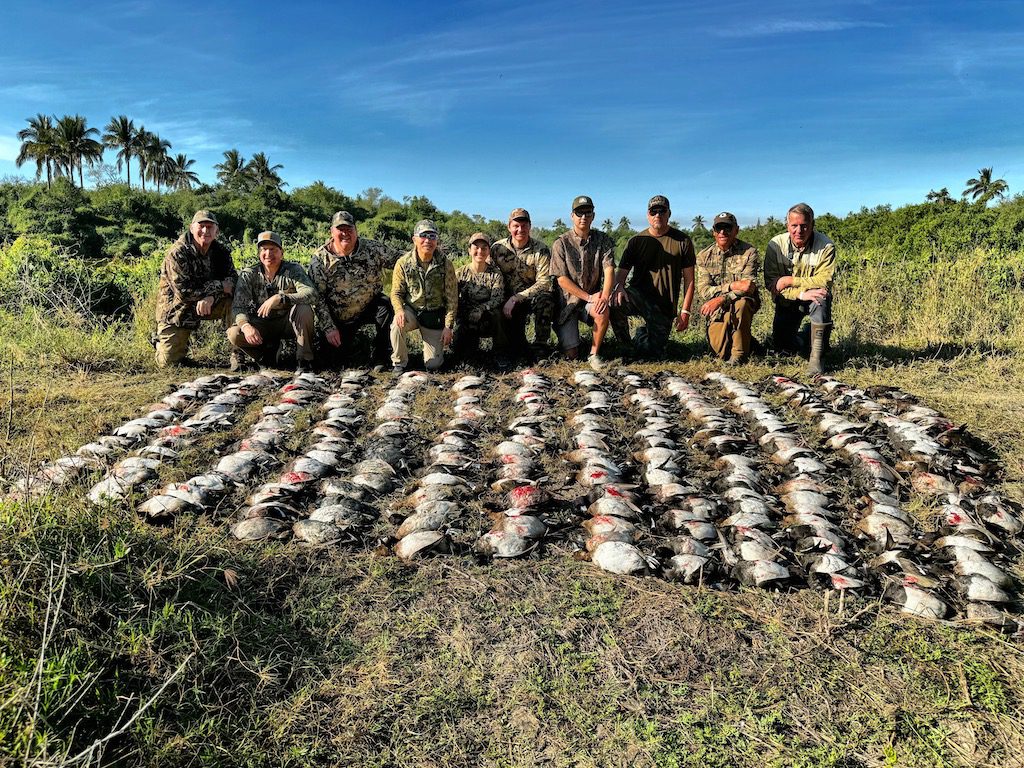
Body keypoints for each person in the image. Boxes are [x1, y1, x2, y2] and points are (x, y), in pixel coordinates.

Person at [308, 211, 398, 368]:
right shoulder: (320, 259)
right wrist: (329, 329)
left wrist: (426, 251)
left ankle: (381, 356)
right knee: (332, 363)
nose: (345, 234)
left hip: (368, 307)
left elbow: (401, 261)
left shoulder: (372, 248)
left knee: (386, 306)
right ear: (332, 232)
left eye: (349, 229)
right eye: (340, 229)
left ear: (356, 230)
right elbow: (318, 298)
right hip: (338, 316)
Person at [610, 195, 695, 359]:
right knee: (614, 302)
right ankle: (626, 348)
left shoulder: (683, 240)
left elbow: (689, 280)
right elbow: (620, 275)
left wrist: (685, 311)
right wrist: (618, 288)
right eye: (653, 211)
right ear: (647, 215)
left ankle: (642, 334)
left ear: (669, 213)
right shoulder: (636, 241)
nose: (658, 215)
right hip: (638, 295)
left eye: (662, 211)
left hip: (664, 304)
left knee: (654, 354)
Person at [154, 210, 237, 368]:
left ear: (216, 231)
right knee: (168, 364)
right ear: (191, 228)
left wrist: (211, 297)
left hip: (210, 303)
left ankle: (239, 354)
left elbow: (233, 281)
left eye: (210, 227)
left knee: (234, 300)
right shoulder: (177, 253)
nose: (205, 231)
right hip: (178, 310)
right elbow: (184, 292)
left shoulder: (222, 253)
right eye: (202, 226)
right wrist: (218, 287)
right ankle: (159, 342)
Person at [226, 231, 316, 372]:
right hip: (262, 323)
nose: (268, 254)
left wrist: (281, 297)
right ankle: (266, 355)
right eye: (264, 249)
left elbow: (311, 294)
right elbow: (238, 307)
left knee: (304, 309)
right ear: (259, 253)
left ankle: (304, 361)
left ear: (282, 252)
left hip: (288, 323)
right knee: (234, 333)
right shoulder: (249, 274)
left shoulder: (293, 270)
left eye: (273, 249)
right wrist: (246, 326)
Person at [764, 202, 836, 375]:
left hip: (814, 297)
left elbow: (824, 280)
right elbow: (772, 284)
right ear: (787, 225)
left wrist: (789, 280)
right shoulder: (775, 245)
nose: (799, 231)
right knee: (784, 348)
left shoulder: (826, 246)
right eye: (794, 226)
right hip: (788, 301)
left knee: (821, 298)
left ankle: (817, 358)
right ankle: (806, 336)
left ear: (812, 225)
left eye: (804, 226)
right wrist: (800, 293)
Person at [550, 195, 615, 369]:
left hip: (591, 300)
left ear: (593, 215)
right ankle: (567, 341)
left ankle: (594, 354)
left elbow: (609, 269)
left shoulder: (603, 240)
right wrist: (588, 297)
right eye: (579, 213)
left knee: (602, 309)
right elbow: (561, 279)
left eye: (587, 213)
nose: (583, 217)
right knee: (571, 356)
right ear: (572, 216)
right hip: (567, 303)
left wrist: (605, 296)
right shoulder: (560, 243)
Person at [389, 219, 458, 373]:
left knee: (433, 365)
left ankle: (430, 354)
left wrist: (448, 326)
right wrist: (399, 310)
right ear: (414, 239)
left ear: (437, 240)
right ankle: (399, 362)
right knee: (396, 324)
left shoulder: (446, 264)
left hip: (434, 317)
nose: (428, 240)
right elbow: (396, 292)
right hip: (412, 311)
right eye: (423, 236)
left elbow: (452, 299)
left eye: (432, 236)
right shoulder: (403, 263)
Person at [695, 212, 761, 364]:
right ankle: (747, 342)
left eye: (727, 228)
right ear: (713, 232)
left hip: (743, 302)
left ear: (736, 230)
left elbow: (748, 287)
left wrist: (722, 297)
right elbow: (704, 290)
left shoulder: (749, 252)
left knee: (741, 304)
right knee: (720, 352)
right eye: (719, 228)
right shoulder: (704, 256)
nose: (723, 232)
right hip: (717, 308)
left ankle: (739, 355)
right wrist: (732, 286)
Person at [488, 208, 554, 359]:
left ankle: (540, 348)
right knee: (515, 347)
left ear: (530, 226)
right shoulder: (497, 248)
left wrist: (517, 298)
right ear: (509, 227)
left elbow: (544, 282)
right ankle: (500, 348)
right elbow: (488, 273)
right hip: (504, 299)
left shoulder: (541, 249)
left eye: (524, 225)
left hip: (529, 297)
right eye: (516, 225)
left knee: (546, 299)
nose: (520, 229)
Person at [454, 233, 508, 365]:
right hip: (467, 317)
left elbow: (498, 298)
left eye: (484, 248)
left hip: (487, 317)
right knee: (461, 357)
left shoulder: (495, 274)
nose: (480, 251)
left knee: (497, 314)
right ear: (469, 250)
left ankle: (500, 353)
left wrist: (481, 309)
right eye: (476, 247)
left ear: (489, 251)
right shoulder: (460, 273)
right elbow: (452, 297)